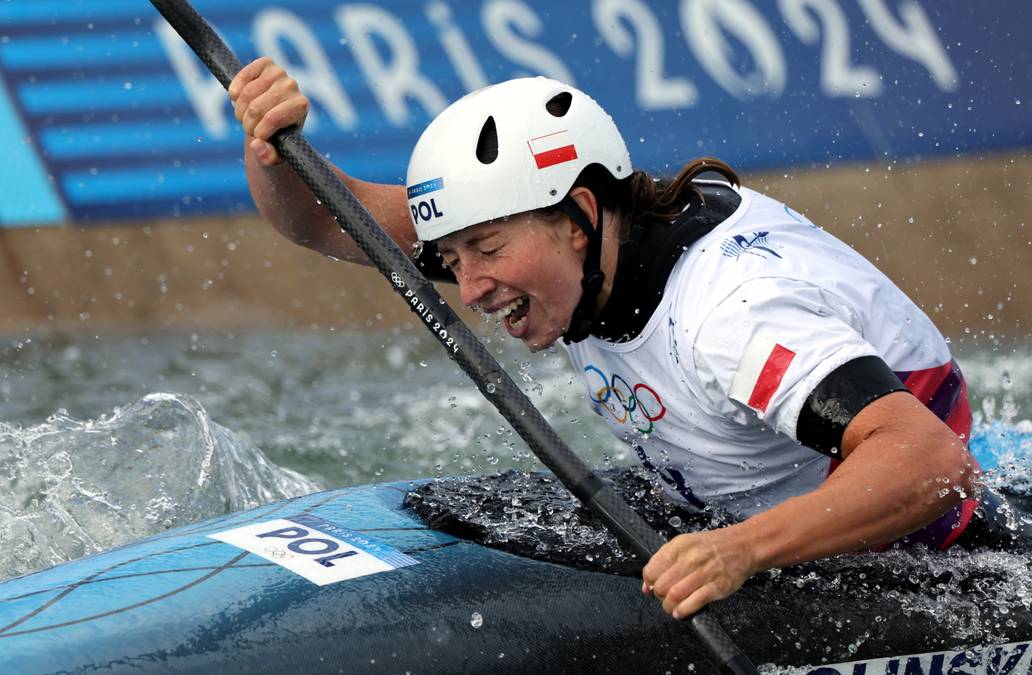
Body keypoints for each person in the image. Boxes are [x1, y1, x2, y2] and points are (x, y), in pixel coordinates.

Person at [231, 57, 981, 621]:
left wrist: (740, 551)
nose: (472, 285)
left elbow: (930, 461)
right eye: (455, 259)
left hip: (904, 562)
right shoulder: (564, 253)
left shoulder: (731, 317)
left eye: (486, 252)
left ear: (580, 215)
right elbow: (325, 219)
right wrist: (272, 146)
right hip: (714, 516)